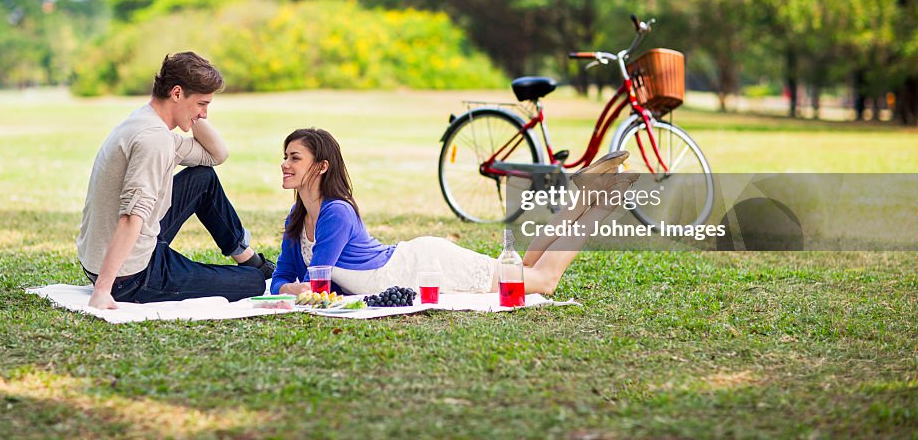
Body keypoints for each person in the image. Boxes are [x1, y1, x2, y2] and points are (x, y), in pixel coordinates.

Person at [270, 128, 634, 297]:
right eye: (286, 156)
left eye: (294, 158)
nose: (285, 164)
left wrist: (294, 288)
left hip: (422, 266)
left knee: (543, 282)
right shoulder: (297, 217)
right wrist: (288, 286)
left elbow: (317, 283)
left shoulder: (336, 212)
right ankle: (583, 196)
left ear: (320, 167)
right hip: (411, 265)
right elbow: (284, 278)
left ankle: (599, 203)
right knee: (522, 271)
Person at [77, 51, 273, 309]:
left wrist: (190, 116)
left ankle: (247, 258)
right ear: (177, 93)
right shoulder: (154, 139)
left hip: (108, 255)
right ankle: (254, 270)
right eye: (202, 104)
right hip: (131, 275)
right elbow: (131, 216)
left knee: (202, 178)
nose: (204, 115)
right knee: (253, 283)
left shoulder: (145, 120)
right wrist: (103, 289)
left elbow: (216, 155)